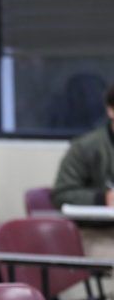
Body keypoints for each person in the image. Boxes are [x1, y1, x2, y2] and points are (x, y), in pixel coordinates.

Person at [52, 83, 114, 259]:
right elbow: (61, 194)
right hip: (95, 233)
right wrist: (103, 198)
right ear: (111, 110)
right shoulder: (85, 147)